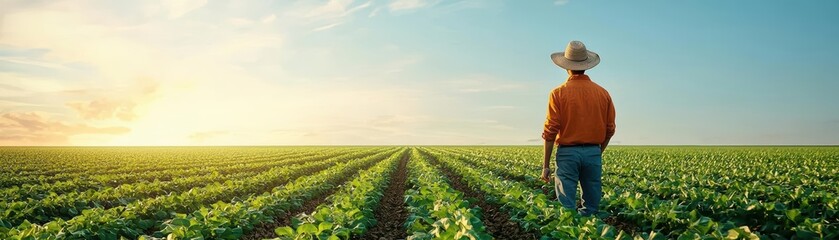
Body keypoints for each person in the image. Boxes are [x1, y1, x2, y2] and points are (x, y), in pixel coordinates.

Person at [539, 40, 616, 217]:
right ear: (586, 65)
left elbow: (550, 130)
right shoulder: (603, 93)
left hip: (567, 153)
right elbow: (610, 129)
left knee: (566, 208)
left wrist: (545, 165)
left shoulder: (558, 93)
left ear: (566, 67)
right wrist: (597, 151)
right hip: (593, 152)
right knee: (591, 207)